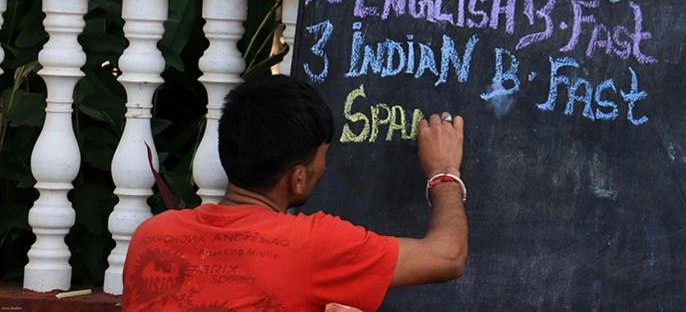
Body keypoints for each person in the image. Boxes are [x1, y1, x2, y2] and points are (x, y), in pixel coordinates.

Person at [122, 74, 467, 311]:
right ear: (298, 179)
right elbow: (447, 256)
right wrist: (444, 172)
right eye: (323, 159)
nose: (325, 169)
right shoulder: (313, 246)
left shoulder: (152, 236)